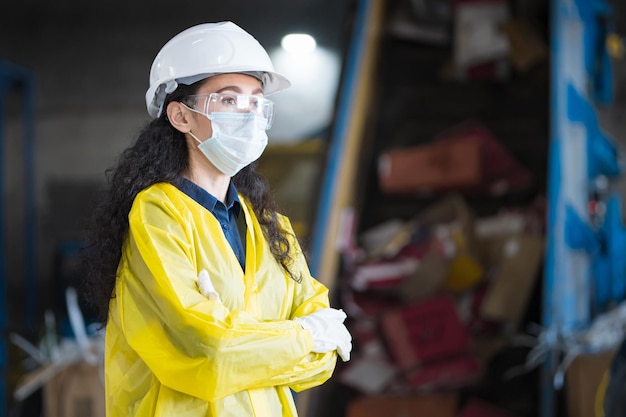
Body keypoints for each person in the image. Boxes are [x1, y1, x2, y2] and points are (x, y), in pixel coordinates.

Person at [80, 21, 352, 417]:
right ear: (181, 116)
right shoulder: (158, 214)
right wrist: (303, 336)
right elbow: (208, 350)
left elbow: (323, 361)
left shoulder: (270, 225)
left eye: (256, 101)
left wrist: (255, 343)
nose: (248, 114)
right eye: (228, 100)